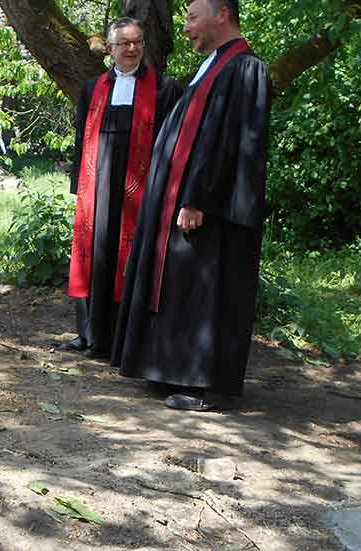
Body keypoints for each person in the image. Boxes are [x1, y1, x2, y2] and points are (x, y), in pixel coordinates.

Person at [112, 0, 272, 411]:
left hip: (206, 210)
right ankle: (171, 372)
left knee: (205, 289)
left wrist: (199, 197)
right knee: (182, 286)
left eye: (192, 18)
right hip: (181, 203)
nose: (185, 28)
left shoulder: (245, 69)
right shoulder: (217, 65)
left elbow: (229, 143)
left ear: (222, 15)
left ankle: (202, 386)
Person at [62, 17, 182, 359]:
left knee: (128, 257)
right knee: (94, 254)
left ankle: (124, 339)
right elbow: (80, 139)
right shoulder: (92, 88)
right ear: (110, 49)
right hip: (97, 188)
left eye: (138, 43)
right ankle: (88, 334)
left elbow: (170, 144)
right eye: (124, 43)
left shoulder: (164, 89)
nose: (132, 49)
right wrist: (78, 186)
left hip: (138, 191)